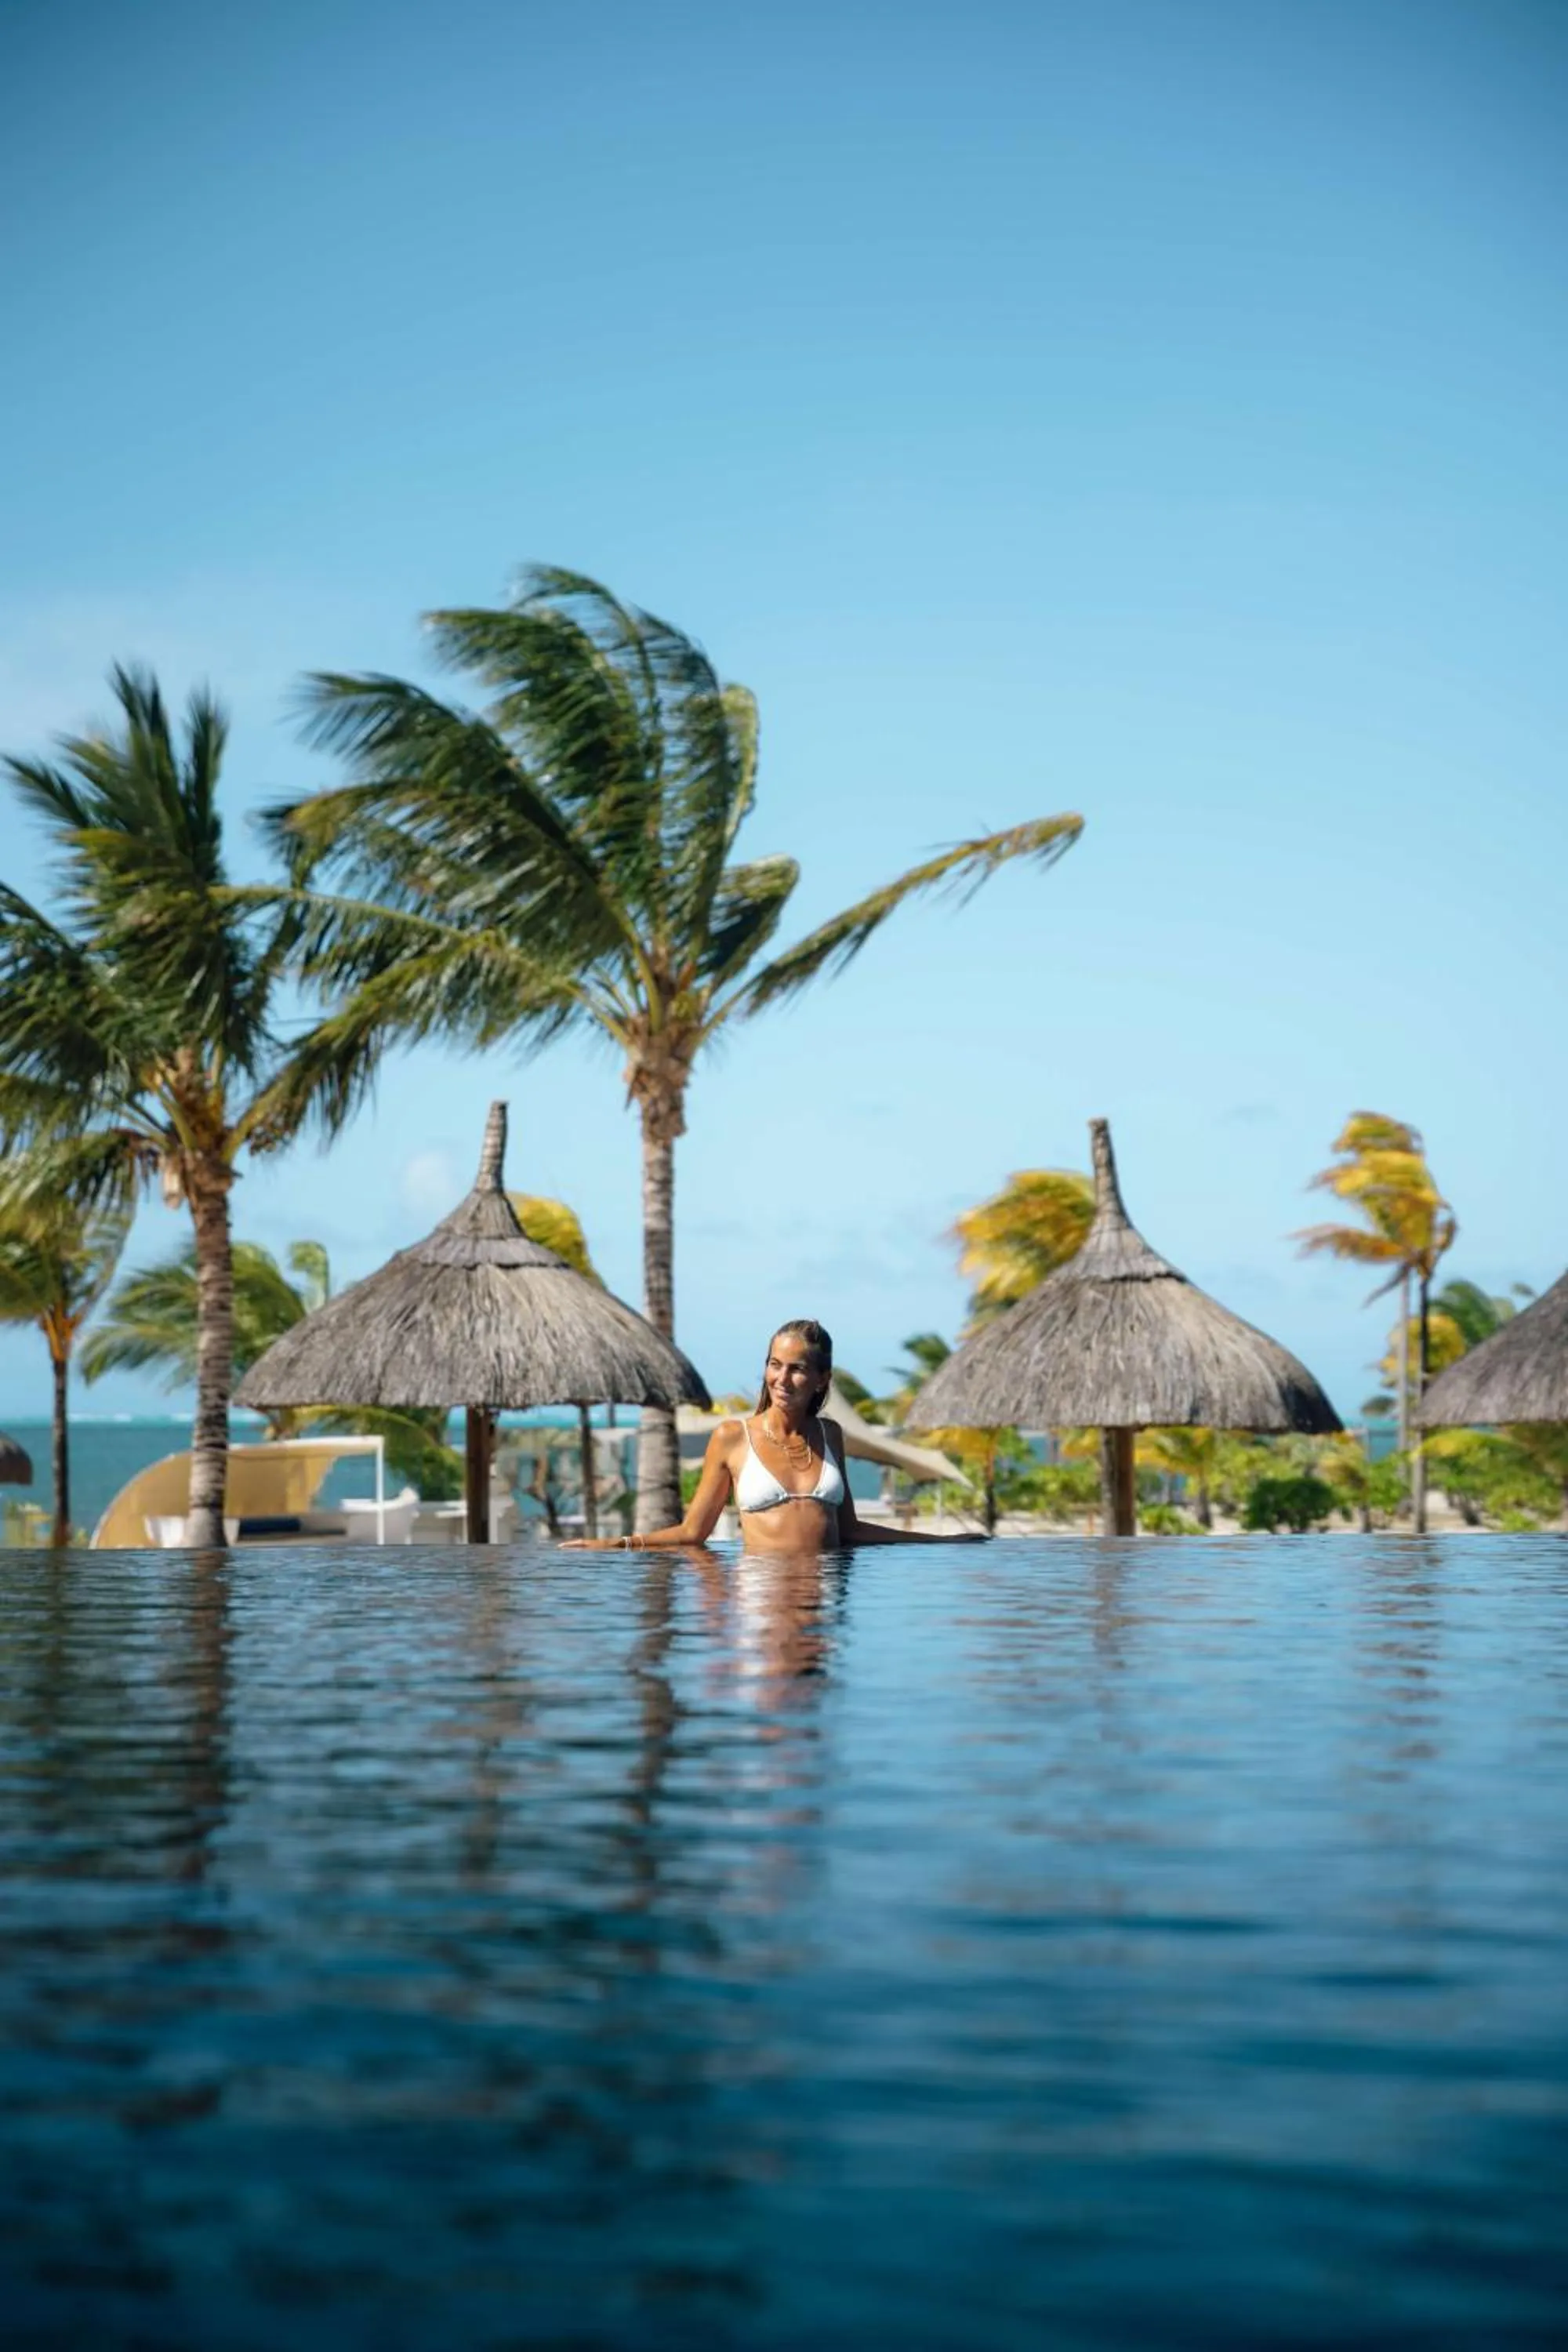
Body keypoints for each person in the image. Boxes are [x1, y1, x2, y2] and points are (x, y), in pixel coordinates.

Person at [563, 1318, 987, 1554]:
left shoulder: (830, 1435)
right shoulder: (733, 1437)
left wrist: (939, 1542)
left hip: (825, 1599)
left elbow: (851, 1530)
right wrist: (618, 1543)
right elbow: (693, 1533)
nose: (782, 1379)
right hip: (762, 1595)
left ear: (822, 1378)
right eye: (775, 1364)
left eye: (797, 1368)